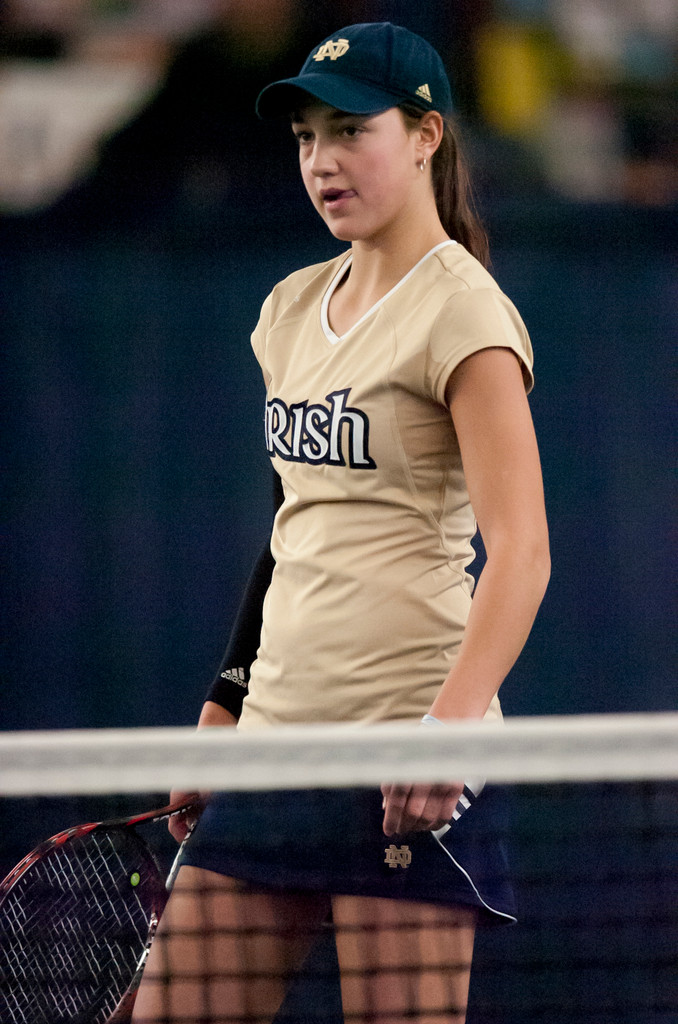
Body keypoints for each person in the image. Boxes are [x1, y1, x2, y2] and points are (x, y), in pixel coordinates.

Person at [132, 21, 550, 1024]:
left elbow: (523, 552)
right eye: (307, 135)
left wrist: (445, 734)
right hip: (275, 750)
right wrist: (227, 704)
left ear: (424, 137)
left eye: (350, 130)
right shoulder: (287, 309)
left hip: (402, 763)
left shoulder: (465, 315)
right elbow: (295, 523)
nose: (323, 159)